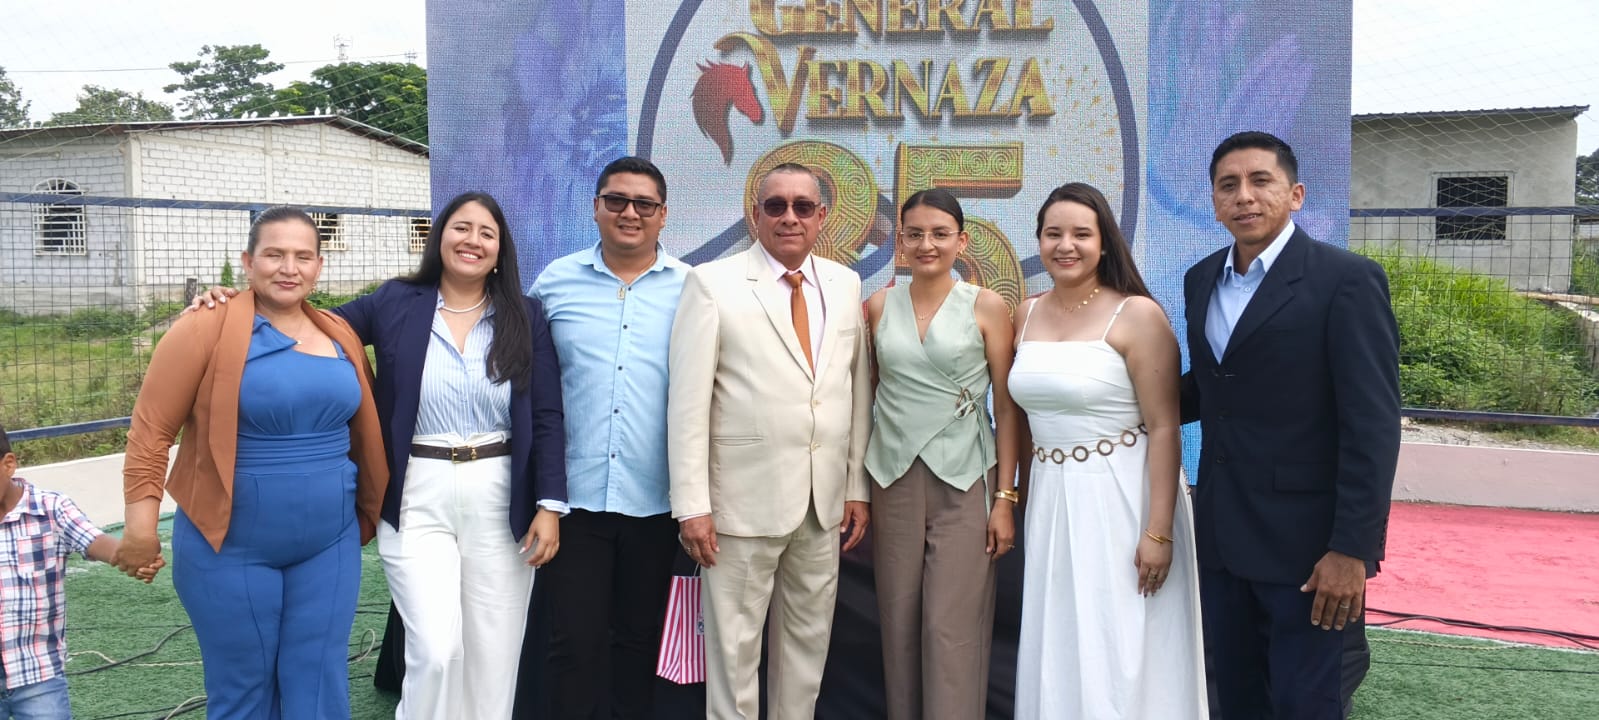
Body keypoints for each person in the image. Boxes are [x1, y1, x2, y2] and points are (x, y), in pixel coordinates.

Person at [191, 192, 568, 720]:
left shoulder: (524, 316)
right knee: (436, 651)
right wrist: (237, 300)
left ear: (500, 250)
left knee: (495, 652)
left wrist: (549, 503)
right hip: (416, 490)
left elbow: (547, 414)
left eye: (487, 233)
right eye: (461, 228)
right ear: (440, 237)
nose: (473, 241)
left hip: (501, 491)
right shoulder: (395, 301)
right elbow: (305, 320)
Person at [118, 206, 389, 719]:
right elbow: (151, 433)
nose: (289, 268)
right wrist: (139, 529)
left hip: (329, 545)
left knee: (320, 683)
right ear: (248, 261)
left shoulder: (339, 333)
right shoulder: (204, 327)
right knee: (244, 688)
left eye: (303, 256)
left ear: (319, 266)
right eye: (274, 254)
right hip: (227, 545)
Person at [1181, 131, 1400, 719]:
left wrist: (1352, 550)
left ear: (1295, 194)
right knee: (1236, 700)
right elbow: (1213, 387)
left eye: (1261, 181)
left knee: (1307, 704)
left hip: (1308, 550)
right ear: (1215, 200)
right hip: (1222, 538)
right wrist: (1106, 397)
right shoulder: (1201, 280)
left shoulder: (1346, 280)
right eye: (1228, 185)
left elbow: (1373, 426)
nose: (1244, 196)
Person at [667, 162, 872, 720]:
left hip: (822, 506)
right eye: (775, 205)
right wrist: (692, 506)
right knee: (734, 656)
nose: (789, 217)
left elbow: (854, 392)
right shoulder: (711, 283)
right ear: (754, 214)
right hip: (738, 508)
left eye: (802, 207)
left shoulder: (845, 284)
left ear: (822, 216)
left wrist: (855, 486)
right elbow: (687, 406)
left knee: (807, 649)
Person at [1008, 182, 1208, 719]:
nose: (1065, 245)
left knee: (1120, 640)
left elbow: (1164, 428)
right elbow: (1022, 418)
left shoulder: (1137, 315)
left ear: (1104, 243)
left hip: (1122, 496)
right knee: (1059, 637)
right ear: (1039, 240)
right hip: (1051, 496)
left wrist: (1158, 532)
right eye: (1053, 233)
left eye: (1081, 234)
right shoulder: (1024, 314)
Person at [529, 156, 688, 718]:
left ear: (663, 215)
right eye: (616, 200)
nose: (630, 213)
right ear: (596, 207)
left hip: (655, 499)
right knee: (572, 643)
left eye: (644, 204)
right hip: (572, 502)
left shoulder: (691, 288)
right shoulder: (554, 282)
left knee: (639, 642)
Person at [863, 189, 1018, 720]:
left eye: (939, 233)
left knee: (951, 627)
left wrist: (1005, 498)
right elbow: (868, 396)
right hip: (893, 477)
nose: (926, 244)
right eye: (915, 234)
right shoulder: (878, 306)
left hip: (966, 477)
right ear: (899, 240)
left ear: (962, 241)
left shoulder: (986, 305)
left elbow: (1007, 407)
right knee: (898, 622)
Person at [1, 421, 159, 720]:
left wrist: (129, 556)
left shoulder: (51, 508)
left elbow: (92, 540)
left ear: (8, 464)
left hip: (38, 673)